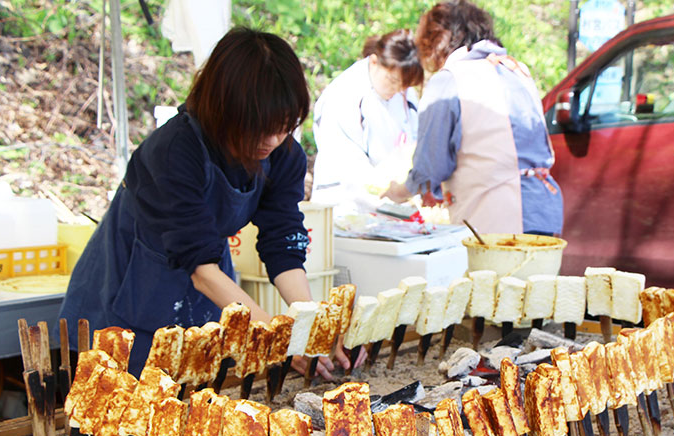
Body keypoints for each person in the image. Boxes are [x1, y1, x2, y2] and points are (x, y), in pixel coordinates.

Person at [60, 28, 352, 379]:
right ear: (226, 109)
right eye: (261, 129)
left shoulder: (283, 153)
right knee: (124, 408)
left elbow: (282, 243)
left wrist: (312, 326)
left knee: (198, 397)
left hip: (206, 284)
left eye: (285, 126)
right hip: (131, 288)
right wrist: (280, 340)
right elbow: (201, 270)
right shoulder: (173, 151)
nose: (274, 140)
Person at [382, 0, 563, 236]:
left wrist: (401, 191)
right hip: (544, 210)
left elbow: (431, 165)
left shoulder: (450, 80)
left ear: (440, 38)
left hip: (496, 218)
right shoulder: (517, 71)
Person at [311, 30, 424, 216]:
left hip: (392, 204)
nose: (397, 90)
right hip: (345, 204)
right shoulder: (344, 95)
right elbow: (347, 166)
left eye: (404, 85)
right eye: (393, 81)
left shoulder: (405, 94)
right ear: (374, 62)